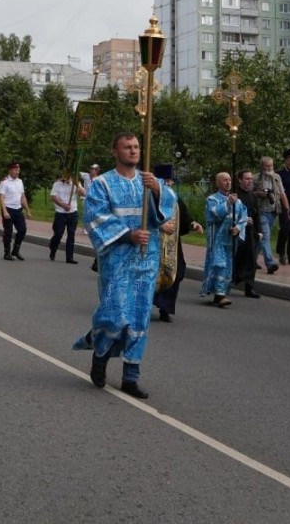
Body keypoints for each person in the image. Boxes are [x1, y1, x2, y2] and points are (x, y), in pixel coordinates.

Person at [73, 132, 175, 399]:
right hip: (117, 258)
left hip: (146, 258)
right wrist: (128, 235)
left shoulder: (148, 181)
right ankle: (100, 351)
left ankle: (131, 375)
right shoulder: (102, 184)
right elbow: (95, 217)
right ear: (114, 151)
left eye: (137, 147)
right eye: (127, 147)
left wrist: (157, 190)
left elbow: (166, 208)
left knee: (139, 316)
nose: (133, 151)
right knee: (116, 314)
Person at [152, 164, 203, 323]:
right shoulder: (148, 197)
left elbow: (185, 216)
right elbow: (141, 218)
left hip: (172, 244)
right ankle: (145, 303)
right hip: (153, 243)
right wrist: (160, 225)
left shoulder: (174, 197)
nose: (168, 183)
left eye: (170, 181)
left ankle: (165, 307)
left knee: (177, 270)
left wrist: (193, 224)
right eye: (165, 180)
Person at [202, 172, 246, 307]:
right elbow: (215, 214)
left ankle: (220, 293)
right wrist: (227, 204)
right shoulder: (212, 199)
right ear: (218, 183)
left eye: (229, 180)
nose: (228, 182)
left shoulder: (237, 201)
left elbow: (243, 216)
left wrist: (238, 227)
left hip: (230, 241)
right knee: (219, 264)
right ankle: (220, 294)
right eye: (224, 180)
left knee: (228, 266)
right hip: (216, 240)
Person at [253, 155, 287, 274]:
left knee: (261, 238)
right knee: (266, 236)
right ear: (262, 166)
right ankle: (270, 263)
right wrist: (259, 194)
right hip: (261, 211)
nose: (269, 168)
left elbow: (282, 193)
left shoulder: (277, 177)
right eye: (266, 166)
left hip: (273, 211)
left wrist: (287, 208)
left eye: (271, 165)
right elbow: (250, 193)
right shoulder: (256, 178)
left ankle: (252, 259)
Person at [233, 169, 262, 299]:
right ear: (240, 180)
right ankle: (233, 279)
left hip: (251, 232)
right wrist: (242, 219)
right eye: (247, 179)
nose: (249, 181)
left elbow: (257, 214)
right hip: (238, 232)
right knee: (237, 257)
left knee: (251, 259)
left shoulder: (253, 196)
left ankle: (249, 287)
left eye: (251, 179)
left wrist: (259, 230)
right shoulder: (235, 195)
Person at [48, 171, 84, 264]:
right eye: (65, 175)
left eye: (69, 176)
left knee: (71, 235)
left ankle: (69, 257)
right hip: (60, 213)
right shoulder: (57, 184)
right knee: (58, 234)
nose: (67, 178)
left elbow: (83, 194)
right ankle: (53, 248)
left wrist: (78, 186)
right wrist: (64, 205)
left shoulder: (76, 183)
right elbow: (53, 197)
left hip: (73, 212)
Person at [0, 161, 31, 260]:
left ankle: (16, 250)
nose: (17, 172)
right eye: (15, 170)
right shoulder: (4, 182)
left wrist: (27, 210)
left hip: (18, 209)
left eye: (18, 170)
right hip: (8, 209)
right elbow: (1, 198)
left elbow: (23, 197)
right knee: (8, 232)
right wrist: (4, 211)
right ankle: (7, 252)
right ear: (10, 170)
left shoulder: (20, 182)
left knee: (22, 230)